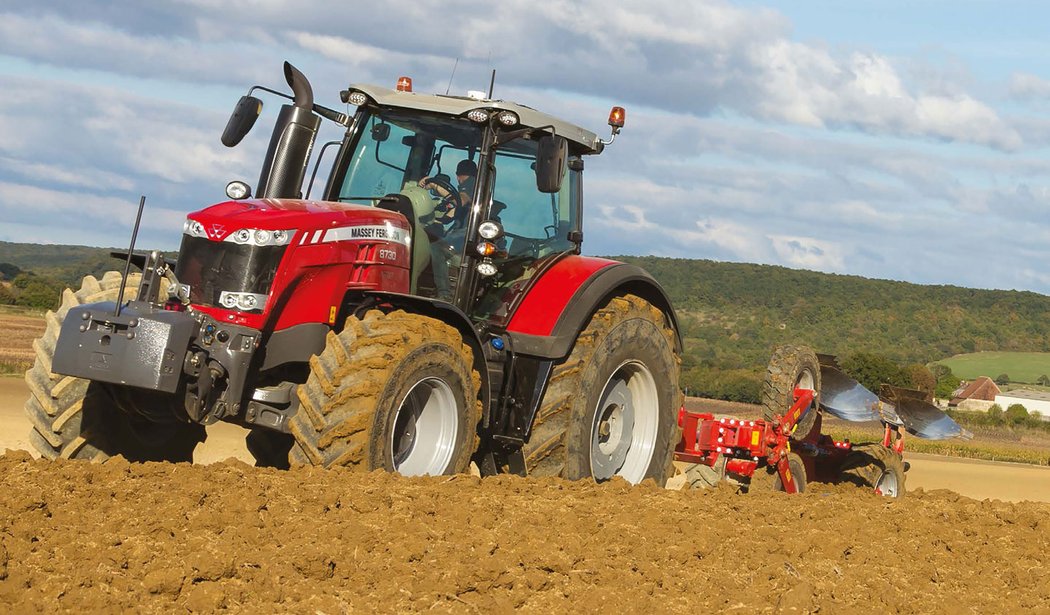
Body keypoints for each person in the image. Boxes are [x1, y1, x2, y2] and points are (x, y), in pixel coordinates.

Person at [418, 159, 477, 300]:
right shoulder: (475, 185)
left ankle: (444, 294)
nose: (457, 179)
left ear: (460, 175)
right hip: (462, 231)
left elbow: (460, 201)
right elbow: (453, 208)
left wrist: (434, 185)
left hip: (467, 233)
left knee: (436, 248)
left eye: (458, 175)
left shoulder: (471, 183)